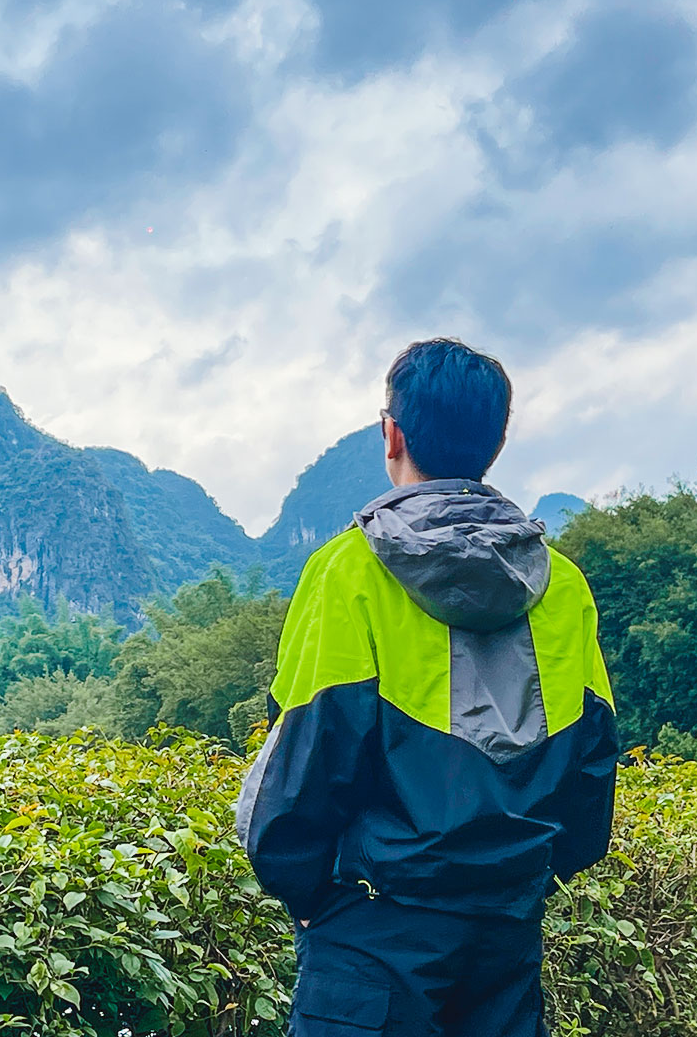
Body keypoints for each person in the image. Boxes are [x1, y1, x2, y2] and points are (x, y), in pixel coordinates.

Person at [236, 338, 619, 1036]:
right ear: (494, 442)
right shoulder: (564, 588)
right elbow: (591, 775)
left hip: (371, 936)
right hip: (505, 945)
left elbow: (299, 767)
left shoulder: (350, 571)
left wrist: (312, 897)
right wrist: (517, 881)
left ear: (393, 433)